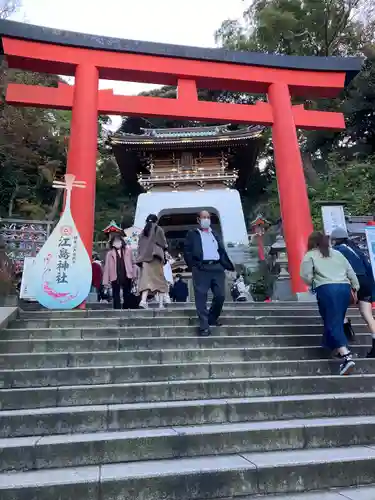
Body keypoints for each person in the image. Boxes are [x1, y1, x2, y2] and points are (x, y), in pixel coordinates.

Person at [300, 231, 360, 375]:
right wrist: (355, 287)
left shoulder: (310, 255)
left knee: (332, 322)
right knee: (336, 319)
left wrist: (313, 282)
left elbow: (305, 275)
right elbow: (350, 271)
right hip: (344, 288)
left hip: (327, 289)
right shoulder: (337, 254)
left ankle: (346, 356)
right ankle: (333, 347)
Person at [184, 210, 235, 336]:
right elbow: (187, 251)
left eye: (208, 217)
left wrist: (226, 265)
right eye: (203, 217)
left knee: (220, 295)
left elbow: (221, 250)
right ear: (198, 220)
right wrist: (194, 265)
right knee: (201, 297)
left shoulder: (215, 234)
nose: (206, 219)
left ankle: (212, 318)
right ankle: (204, 326)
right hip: (201, 268)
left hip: (217, 267)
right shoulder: (193, 234)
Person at [331, 227, 375, 357]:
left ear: (334, 240)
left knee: (338, 310)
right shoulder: (358, 251)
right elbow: (369, 269)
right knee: (367, 315)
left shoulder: (336, 251)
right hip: (366, 283)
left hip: (351, 282)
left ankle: (345, 337)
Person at [136, 214, 169, 309]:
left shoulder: (143, 232)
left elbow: (140, 246)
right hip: (155, 258)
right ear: (156, 221)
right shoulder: (158, 229)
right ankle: (161, 304)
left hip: (144, 259)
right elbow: (163, 243)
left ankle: (143, 301)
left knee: (146, 280)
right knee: (160, 280)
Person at [102, 235, 136, 309]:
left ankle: (126, 308)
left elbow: (133, 263)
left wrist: (134, 274)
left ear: (122, 242)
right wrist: (105, 281)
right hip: (115, 274)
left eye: (119, 241)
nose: (117, 243)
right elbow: (107, 267)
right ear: (112, 243)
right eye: (115, 241)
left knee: (127, 293)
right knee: (115, 293)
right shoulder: (109, 253)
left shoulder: (128, 250)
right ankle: (116, 309)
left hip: (127, 274)